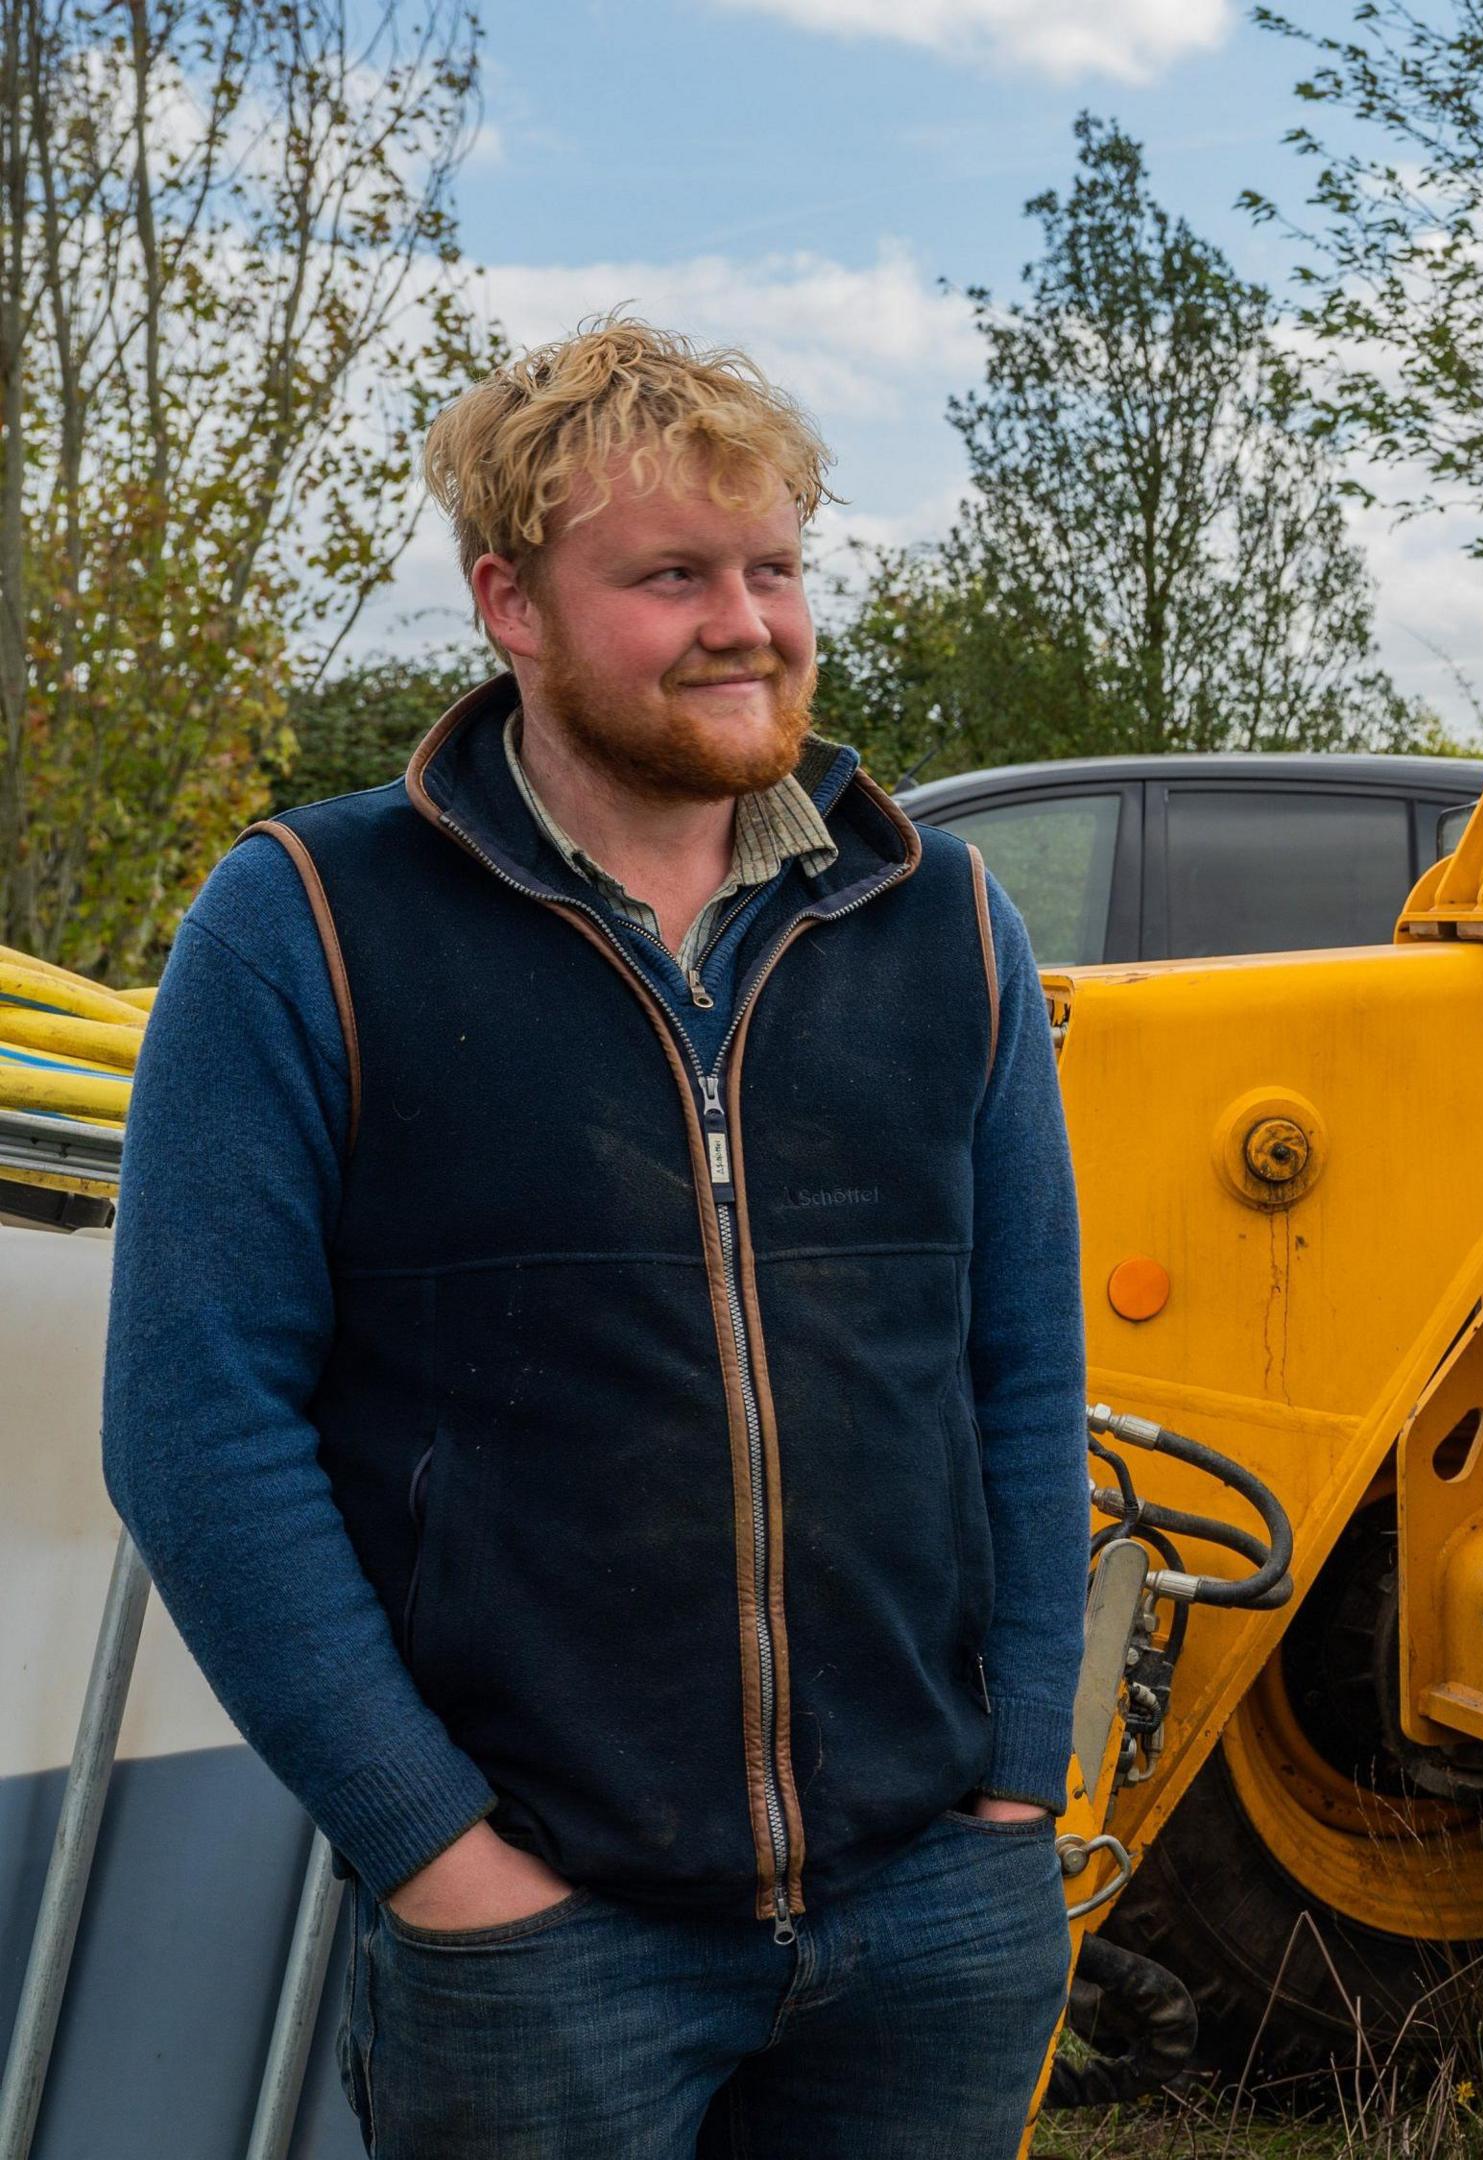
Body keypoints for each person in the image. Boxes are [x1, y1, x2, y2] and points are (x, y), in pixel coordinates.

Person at [101, 318, 1089, 2158]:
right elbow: (194, 1426)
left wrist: (1021, 1776)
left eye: (775, 565)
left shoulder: (935, 919)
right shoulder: (312, 922)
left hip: (931, 1915)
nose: (748, 621)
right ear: (513, 604)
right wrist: (436, 1851)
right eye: (672, 576)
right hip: (550, 1944)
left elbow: (1027, 1371)